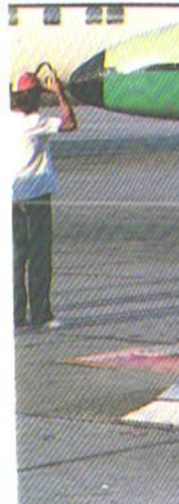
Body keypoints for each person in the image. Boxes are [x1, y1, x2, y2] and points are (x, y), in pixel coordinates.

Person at [10, 68, 77, 330]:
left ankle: (14, 314)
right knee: (39, 257)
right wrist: (60, 94)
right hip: (35, 196)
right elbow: (70, 123)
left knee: (15, 258)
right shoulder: (36, 123)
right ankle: (40, 314)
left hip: (11, 196)